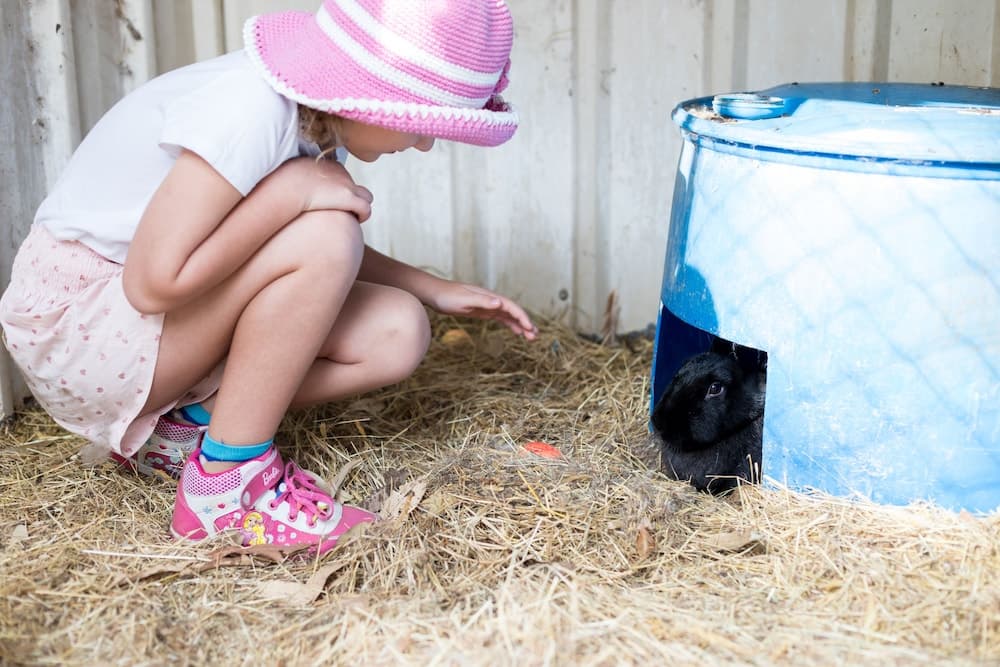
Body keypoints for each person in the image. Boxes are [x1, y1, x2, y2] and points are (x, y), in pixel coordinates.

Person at [0, 0, 536, 556]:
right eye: (424, 122)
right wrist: (293, 193)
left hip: (138, 330)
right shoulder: (249, 111)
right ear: (376, 90)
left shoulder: (311, 124)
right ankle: (225, 491)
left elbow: (276, 245)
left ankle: (183, 434)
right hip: (76, 329)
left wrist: (432, 288)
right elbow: (152, 283)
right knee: (328, 233)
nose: (425, 143)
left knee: (398, 330)